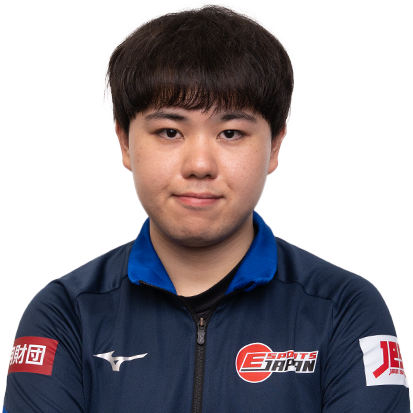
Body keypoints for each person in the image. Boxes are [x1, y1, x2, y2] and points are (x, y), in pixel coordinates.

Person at [2, 4, 410, 413]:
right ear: (125, 142)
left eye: (230, 133)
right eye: (170, 131)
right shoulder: (66, 315)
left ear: (275, 146)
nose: (200, 165)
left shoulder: (344, 309)